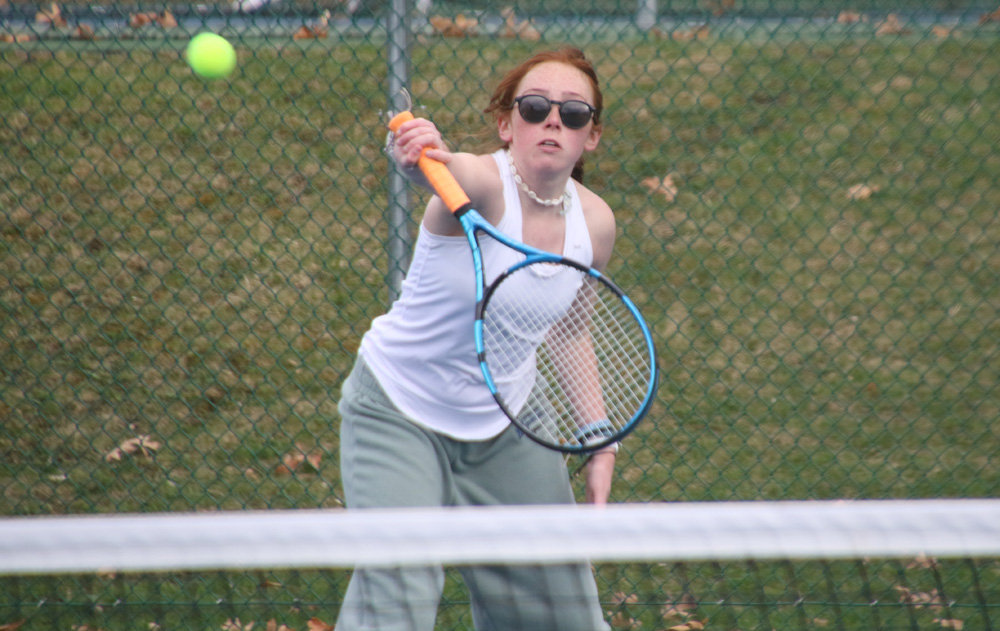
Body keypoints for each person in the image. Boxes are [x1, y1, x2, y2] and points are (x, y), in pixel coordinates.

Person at [336, 47, 616, 631]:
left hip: (509, 422)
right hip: (400, 411)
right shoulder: (484, 185)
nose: (552, 122)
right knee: (400, 595)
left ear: (591, 135)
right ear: (506, 124)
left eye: (574, 114)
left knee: (565, 614)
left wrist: (599, 441)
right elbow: (440, 166)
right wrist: (417, 151)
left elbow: (570, 328)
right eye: (535, 107)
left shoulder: (595, 224)